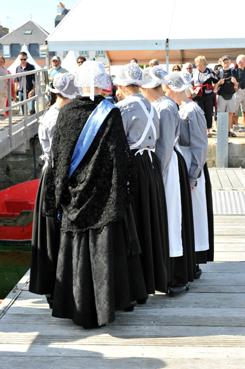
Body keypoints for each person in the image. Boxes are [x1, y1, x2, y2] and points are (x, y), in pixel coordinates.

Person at [30, 61, 147, 328]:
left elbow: (59, 159)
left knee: (74, 252)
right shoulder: (111, 113)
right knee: (104, 251)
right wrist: (122, 192)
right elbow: (120, 157)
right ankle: (105, 309)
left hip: (75, 197)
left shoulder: (67, 112)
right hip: (104, 195)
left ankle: (77, 307)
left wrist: (56, 195)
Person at [114, 63, 169, 295]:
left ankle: (136, 282)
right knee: (150, 219)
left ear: (123, 85)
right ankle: (152, 276)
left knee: (135, 220)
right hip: (150, 164)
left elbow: (118, 142)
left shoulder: (123, 108)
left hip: (134, 164)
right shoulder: (150, 104)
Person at [141, 66, 196, 293]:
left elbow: (163, 145)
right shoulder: (162, 105)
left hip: (167, 165)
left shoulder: (163, 107)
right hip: (168, 162)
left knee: (171, 218)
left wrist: (158, 175)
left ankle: (173, 275)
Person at [29, 73, 79, 307]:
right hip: (55, 178)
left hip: (55, 175)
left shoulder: (56, 114)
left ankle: (58, 286)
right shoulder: (56, 118)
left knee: (56, 231)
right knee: (54, 231)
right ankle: (55, 287)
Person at [165, 72, 214, 275]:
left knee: (193, 215)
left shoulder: (191, 110)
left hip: (192, 168)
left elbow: (199, 145)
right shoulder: (181, 108)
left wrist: (193, 175)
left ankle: (192, 260)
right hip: (184, 165)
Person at [192, 55, 218, 136]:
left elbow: (216, 81)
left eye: (199, 64)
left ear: (203, 63)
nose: (197, 66)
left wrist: (214, 89)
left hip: (208, 95)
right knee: (200, 112)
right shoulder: (194, 72)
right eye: (196, 64)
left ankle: (208, 130)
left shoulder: (210, 71)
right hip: (198, 95)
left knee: (209, 112)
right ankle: (201, 130)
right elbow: (190, 82)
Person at [214, 55, 238, 137]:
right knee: (221, 114)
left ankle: (229, 131)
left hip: (231, 95)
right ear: (221, 62)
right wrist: (219, 83)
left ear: (230, 62)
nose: (226, 63)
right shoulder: (218, 72)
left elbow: (237, 87)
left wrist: (235, 83)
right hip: (221, 95)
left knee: (230, 114)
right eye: (224, 62)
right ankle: (221, 131)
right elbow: (214, 87)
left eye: (227, 62)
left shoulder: (234, 71)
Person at [233, 54, 245, 128]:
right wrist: (236, 84)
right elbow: (232, 79)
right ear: (237, 62)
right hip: (237, 91)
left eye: (243, 60)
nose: (241, 62)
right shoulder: (234, 71)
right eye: (240, 61)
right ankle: (235, 125)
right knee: (235, 109)